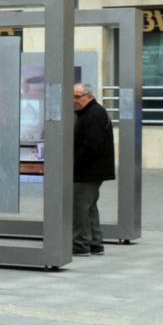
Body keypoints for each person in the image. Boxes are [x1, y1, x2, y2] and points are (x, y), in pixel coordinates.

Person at [72, 83, 115, 255]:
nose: (74, 100)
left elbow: (92, 145)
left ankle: (80, 244)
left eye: (77, 97)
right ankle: (95, 243)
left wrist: (75, 162)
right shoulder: (90, 112)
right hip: (92, 169)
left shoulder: (94, 114)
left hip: (88, 170)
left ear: (89, 96)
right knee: (89, 207)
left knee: (80, 207)